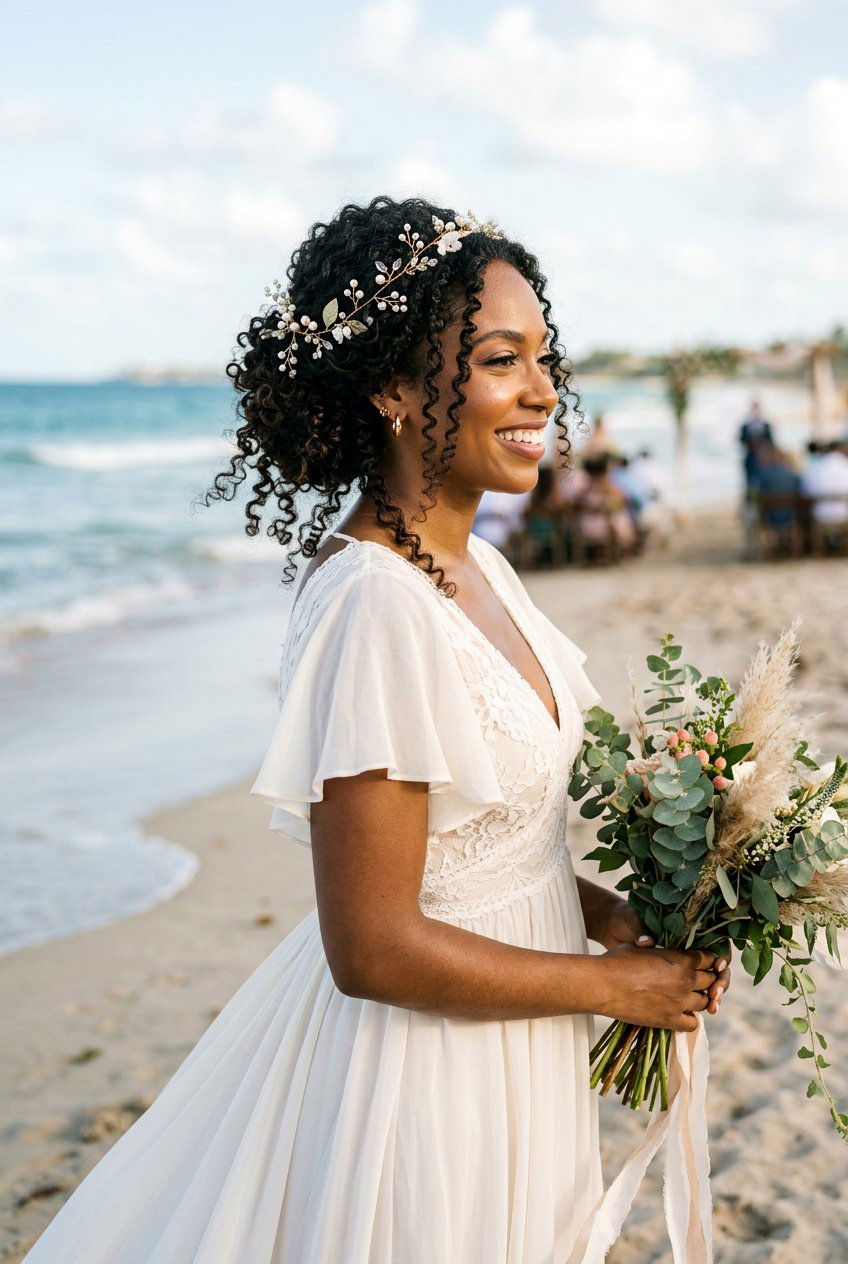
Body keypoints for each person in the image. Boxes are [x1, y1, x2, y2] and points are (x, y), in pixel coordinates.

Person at [21, 196, 729, 1263]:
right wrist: (608, 986)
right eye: (500, 359)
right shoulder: (371, 604)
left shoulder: (480, 566)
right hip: (426, 1073)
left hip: (521, 1033)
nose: (542, 390)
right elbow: (371, 943)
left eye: (544, 356)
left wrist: (603, 916)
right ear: (392, 388)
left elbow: (479, 839)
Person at [801, 438, 848, 525]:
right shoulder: (845, 465)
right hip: (844, 516)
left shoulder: (815, 467)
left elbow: (806, 493)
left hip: (821, 517)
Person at [738, 399, 775, 488]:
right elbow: (741, 440)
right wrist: (749, 443)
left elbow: (771, 442)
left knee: (763, 482)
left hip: (763, 458)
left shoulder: (766, 425)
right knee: (749, 482)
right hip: (750, 457)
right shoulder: (745, 426)